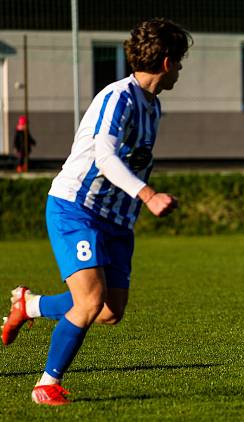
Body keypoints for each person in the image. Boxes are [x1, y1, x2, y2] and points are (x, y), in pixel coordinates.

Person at [1, 18, 191, 405]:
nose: (182, 69)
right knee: (89, 302)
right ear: (168, 62)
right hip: (77, 208)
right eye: (182, 60)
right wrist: (148, 195)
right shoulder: (117, 97)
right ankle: (46, 384)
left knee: (108, 312)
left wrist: (133, 205)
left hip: (116, 221)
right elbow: (104, 155)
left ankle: (30, 305)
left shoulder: (153, 107)